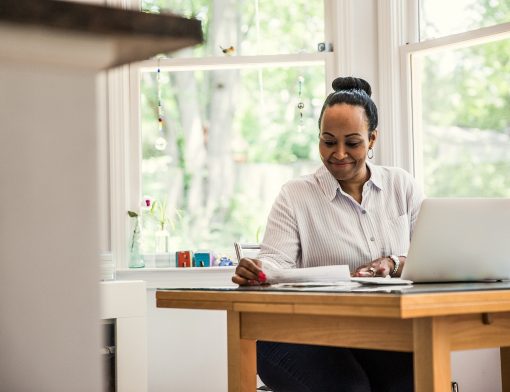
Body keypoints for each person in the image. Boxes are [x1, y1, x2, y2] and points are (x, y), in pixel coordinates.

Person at [232, 76, 423, 392]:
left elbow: (430, 258)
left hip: (377, 332)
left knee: (413, 378)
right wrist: (257, 271)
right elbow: (274, 268)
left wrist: (394, 262)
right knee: (349, 388)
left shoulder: (401, 185)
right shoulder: (295, 195)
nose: (339, 153)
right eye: (328, 141)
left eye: (353, 142)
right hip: (296, 333)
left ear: (372, 139)